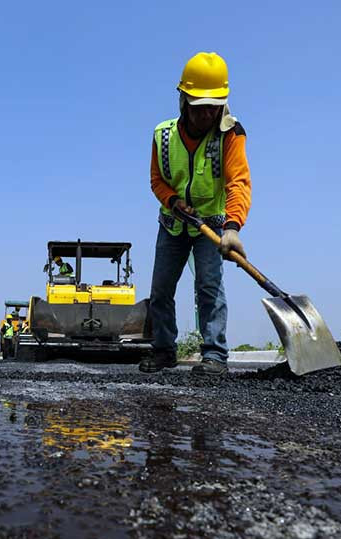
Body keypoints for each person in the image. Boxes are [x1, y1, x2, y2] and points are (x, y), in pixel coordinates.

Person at [139, 52, 251, 377]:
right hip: (173, 224)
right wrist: (173, 201)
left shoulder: (231, 134)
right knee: (161, 290)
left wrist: (233, 227)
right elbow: (156, 180)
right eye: (200, 106)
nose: (207, 113)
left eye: (213, 106)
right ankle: (163, 351)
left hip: (212, 226)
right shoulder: (162, 136)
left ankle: (215, 355)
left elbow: (238, 182)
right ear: (184, 100)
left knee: (209, 287)